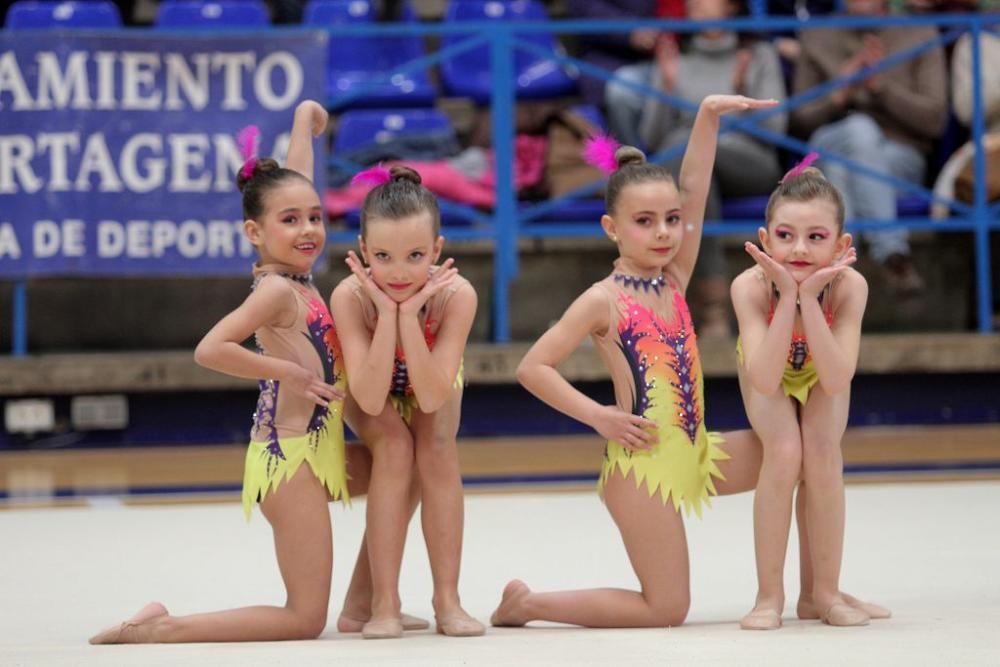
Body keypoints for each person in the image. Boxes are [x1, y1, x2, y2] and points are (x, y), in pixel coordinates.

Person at [490, 95, 778, 629]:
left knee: (793, 452)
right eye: (645, 221)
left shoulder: (672, 280)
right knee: (666, 607)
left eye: (671, 220)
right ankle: (526, 604)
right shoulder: (603, 299)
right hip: (644, 468)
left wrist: (707, 118)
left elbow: (694, 189)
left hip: (697, 453)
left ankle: (809, 592)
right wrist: (600, 416)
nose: (665, 232)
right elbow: (533, 367)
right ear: (612, 228)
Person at [90, 106, 355, 644]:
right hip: (289, 459)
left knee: (406, 467)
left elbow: (296, 182)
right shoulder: (277, 289)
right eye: (291, 220)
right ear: (254, 232)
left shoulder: (296, 275)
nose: (308, 229)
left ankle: (372, 604)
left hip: (316, 444)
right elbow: (211, 348)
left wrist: (304, 125)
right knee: (303, 619)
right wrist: (287, 371)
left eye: (314, 217)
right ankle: (161, 627)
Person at [315, 150, 483, 638]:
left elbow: (431, 397)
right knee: (395, 448)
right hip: (370, 383)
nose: (399, 272)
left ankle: (447, 600)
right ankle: (383, 604)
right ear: (364, 249)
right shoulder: (349, 296)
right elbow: (368, 398)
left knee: (436, 451)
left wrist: (410, 317)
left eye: (415, 256)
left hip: (431, 377)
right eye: (383, 257)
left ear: (436, 249)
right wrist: (388, 315)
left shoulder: (457, 294)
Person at [731, 156, 889, 628]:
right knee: (783, 451)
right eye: (785, 236)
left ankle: (821, 593)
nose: (798, 249)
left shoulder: (849, 287)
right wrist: (788, 298)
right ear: (765, 239)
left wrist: (811, 300)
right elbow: (763, 377)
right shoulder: (750, 287)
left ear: (841, 245)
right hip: (768, 365)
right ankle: (768, 596)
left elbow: (838, 377)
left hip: (823, 367)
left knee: (822, 454)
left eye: (816, 238)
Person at [605, 0, 788, 337]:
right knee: (694, 177)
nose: (697, 5)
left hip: (747, 159)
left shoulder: (756, 55)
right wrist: (668, 87)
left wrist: (740, 92)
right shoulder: (675, 56)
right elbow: (651, 136)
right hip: (683, 161)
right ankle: (709, 308)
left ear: (732, 7)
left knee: (693, 165)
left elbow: (776, 128)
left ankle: (668, 301)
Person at [790, 0, 948, 295]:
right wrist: (839, 94)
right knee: (858, 130)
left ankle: (837, 272)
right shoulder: (817, 35)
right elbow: (799, 121)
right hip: (827, 142)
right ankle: (892, 253)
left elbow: (935, 120)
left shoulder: (919, 32)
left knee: (843, 166)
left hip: (898, 155)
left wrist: (880, 88)